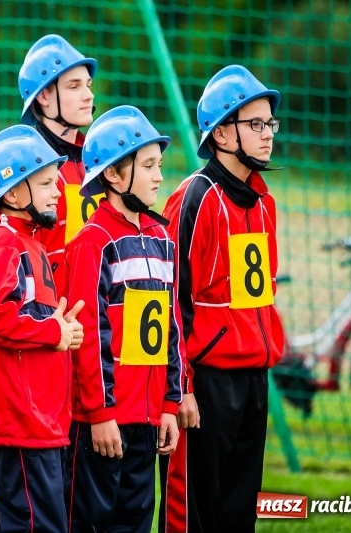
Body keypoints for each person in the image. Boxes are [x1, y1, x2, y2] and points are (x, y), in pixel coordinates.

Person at [161, 64, 285, 533]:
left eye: (269, 123)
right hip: (207, 382)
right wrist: (182, 388)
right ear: (221, 134)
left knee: (240, 506)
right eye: (255, 124)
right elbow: (173, 300)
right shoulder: (195, 197)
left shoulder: (264, 200)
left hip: (254, 376)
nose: (267, 133)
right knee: (193, 509)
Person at [63, 105, 182, 532]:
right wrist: (100, 413)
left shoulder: (162, 238)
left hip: (148, 420)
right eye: (148, 165)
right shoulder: (93, 244)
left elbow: (171, 331)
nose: (158, 176)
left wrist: (171, 402)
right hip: (105, 421)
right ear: (113, 175)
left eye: (159, 165)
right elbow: (90, 337)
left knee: (135, 521)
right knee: (90, 522)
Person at [0, 124, 84, 533]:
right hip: (21, 419)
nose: (58, 192)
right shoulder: (4, 243)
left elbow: (26, 317)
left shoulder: (30, 243)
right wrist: (53, 333)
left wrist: (62, 329)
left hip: (39, 419)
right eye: (48, 183)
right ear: (14, 194)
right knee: (34, 525)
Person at [18, 34, 100, 289]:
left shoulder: (98, 159)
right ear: (43, 96)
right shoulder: (26, 166)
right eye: (74, 86)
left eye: (88, 85)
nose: (88, 95)